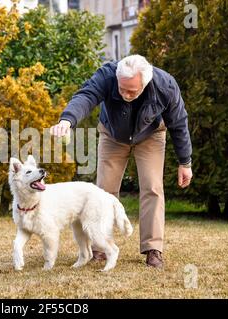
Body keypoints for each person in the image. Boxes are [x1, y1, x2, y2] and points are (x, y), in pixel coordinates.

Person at [49, 55, 193, 268]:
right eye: (122, 89)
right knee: (104, 190)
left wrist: (185, 162)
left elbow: (179, 123)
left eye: (131, 91)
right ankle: (99, 247)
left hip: (150, 136)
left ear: (144, 83)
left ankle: (153, 249)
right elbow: (86, 96)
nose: (125, 94)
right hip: (113, 135)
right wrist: (67, 120)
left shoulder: (165, 85)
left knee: (152, 187)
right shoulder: (108, 75)